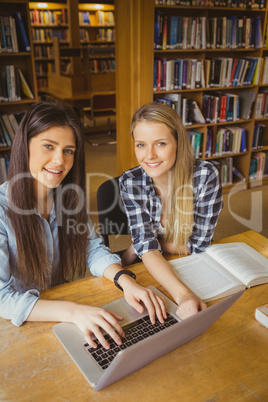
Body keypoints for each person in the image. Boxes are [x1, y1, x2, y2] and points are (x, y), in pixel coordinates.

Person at [0, 101, 166, 350]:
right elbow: (2, 298)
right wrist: (73, 311)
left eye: (68, 150)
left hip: (60, 306)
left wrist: (125, 281)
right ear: (25, 147)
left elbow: (92, 248)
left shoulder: (68, 197)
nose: (59, 161)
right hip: (21, 323)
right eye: (48, 146)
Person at [119, 102, 223, 319]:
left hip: (191, 265)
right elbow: (147, 248)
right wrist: (183, 295)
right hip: (150, 270)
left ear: (178, 143)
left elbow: (199, 245)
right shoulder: (131, 181)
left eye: (161, 143)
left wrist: (140, 247)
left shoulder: (204, 176)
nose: (149, 155)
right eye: (141, 145)